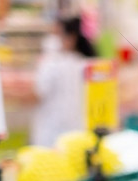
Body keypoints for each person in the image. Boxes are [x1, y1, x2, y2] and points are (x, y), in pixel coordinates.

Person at [30, 18, 94, 148]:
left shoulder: (52, 64)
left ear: (71, 38)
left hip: (51, 137)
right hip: (78, 135)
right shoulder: (85, 63)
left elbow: (36, 95)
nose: (52, 39)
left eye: (56, 34)